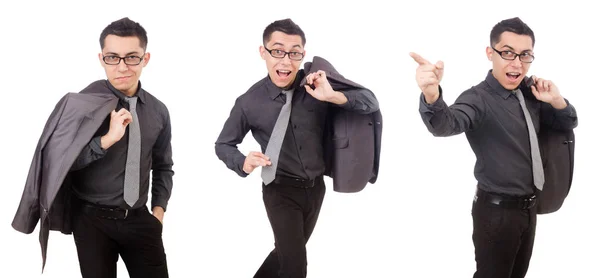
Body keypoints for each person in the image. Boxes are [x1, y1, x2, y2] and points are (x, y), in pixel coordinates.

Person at [410, 17, 578, 278]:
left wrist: (555, 100)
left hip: (529, 209)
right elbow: (444, 125)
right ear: (491, 53)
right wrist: (432, 94)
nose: (517, 63)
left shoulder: (530, 92)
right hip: (496, 214)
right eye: (508, 53)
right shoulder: (477, 99)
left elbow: (569, 122)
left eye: (525, 55)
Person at [215, 18, 379, 278]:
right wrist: (242, 161)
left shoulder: (317, 85)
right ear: (263, 52)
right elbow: (223, 144)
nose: (286, 61)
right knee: (295, 267)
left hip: (315, 189)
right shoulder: (249, 101)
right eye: (277, 51)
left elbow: (370, 101)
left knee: (286, 253)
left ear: (302, 54)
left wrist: (332, 96)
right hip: (279, 189)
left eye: (294, 53)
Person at [12, 17, 174, 278]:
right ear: (102, 59)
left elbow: (164, 165)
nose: (122, 67)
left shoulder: (158, 111)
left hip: (140, 219)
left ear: (145, 59)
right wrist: (106, 140)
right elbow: (58, 166)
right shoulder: (81, 104)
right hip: (91, 221)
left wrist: (158, 212)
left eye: (131, 57)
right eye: (113, 57)